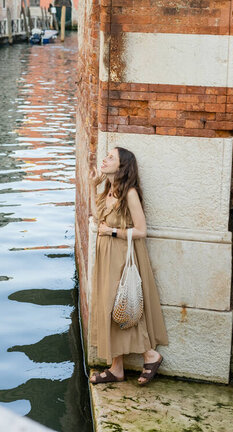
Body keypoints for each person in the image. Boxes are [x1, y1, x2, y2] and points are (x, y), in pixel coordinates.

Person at [89, 146, 168, 385]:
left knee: (122, 307)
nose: (105, 159)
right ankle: (117, 368)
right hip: (107, 257)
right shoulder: (109, 191)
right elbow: (97, 218)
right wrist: (92, 187)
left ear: (122, 166)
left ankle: (150, 355)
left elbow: (142, 230)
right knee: (109, 307)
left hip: (123, 257)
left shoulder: (129, 193)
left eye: (110, 158)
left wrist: (112, 232)